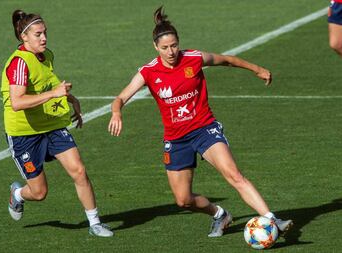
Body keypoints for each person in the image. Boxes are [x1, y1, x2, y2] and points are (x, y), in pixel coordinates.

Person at [108, 6, 293, 237]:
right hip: (176, 140)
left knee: (234, 175)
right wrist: (117, 112)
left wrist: (257, 69)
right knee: (183, 200)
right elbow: (121, 97)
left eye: (174, 45)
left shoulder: (194, 59)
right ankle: (219, 214)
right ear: (156, 47)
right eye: (164, 47)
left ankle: (272, 220)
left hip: (205, 129)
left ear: (179, 42)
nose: (171, 51)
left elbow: (226, 60)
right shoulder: (148, 72)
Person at [1, 9, 113, 237]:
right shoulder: (19, 64)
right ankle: (18, 195)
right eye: (38, 34)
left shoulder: (46, 55)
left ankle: (95, 224)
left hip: (51, 126)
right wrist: (54, 93)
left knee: (79, 171)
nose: (44, 38)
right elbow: (17, 102)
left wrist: (70, 99)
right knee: (40, 193)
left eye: (45, 33)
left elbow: (46, 85)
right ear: (24, 37)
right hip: (24, 133)